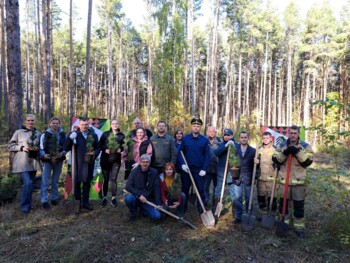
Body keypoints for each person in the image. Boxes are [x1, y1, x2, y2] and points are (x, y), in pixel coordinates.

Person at [273, 125, 313, 238]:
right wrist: (284, 153)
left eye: (295, 133)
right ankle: (283, 225)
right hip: (283, 182)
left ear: (298, 134)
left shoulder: (305, 146)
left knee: (298, 207)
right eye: (291, 133)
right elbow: (275, 160)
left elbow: (307, 162)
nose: (293, 135)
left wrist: (297, 152)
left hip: (298, 183)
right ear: (288, 133)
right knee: (283, 207)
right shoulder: (281, 145)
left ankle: (298, 228)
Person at [64, 118, 100, 211]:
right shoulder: (75, 134)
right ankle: (77, 203)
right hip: (77, 163)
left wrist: (94, 153)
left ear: (89, 125)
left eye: (86, 124)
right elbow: (66, 147)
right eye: (83, 124)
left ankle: (85, 203)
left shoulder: (93, 135)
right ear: (79, 125)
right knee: (76, 183)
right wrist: (70, 138)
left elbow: (98, 148)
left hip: (88, 163)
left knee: (87, 183)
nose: (84, 126)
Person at [8, 114, 41, 214]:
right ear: (25, 121)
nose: (30, 122)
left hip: (33, 163)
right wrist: (21, 148)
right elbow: (10, 146)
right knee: (28, 183)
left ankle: (28, 205)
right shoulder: (19, 132)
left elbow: (41, 146)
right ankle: (24, 207)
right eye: (29, 120)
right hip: (21, 163)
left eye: (32, 120)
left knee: (29, 185)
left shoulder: (38, 133)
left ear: (35, 122)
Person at [178, 117, 210, 213]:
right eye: (194, 126)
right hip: (187, 170)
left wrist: (204, 169)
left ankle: (201, 209)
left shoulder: (204, 140)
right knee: (185, 190)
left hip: (199, 171)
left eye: (198, 126)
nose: (196, 128)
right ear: (191, 126)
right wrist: (182, 164)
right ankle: (183, 209)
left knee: (200, 190)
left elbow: (207, 156)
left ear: (200, 127)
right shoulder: (186, 139)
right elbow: (179, 152)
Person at [39, 117, 67, 210]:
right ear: (50, 124)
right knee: (45, 181)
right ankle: (44, 201)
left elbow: (66, 147)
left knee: (55, 180)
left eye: (57, 123)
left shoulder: (63, 134)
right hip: (48, 160)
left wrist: (62, 153)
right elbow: (41, 147)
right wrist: (43, 155)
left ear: (59, 124)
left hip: (59, 160)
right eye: (53, 123)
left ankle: (54, 198)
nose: (55, 125)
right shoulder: (45, 134)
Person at [124, 154, 162, 221]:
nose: (145, 164)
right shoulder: (134, 172)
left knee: (157, 216)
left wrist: (158, 203)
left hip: (147, 200)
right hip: (136, 197)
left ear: (149, 163)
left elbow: (157, 188)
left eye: (147, 162)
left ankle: (143, 210)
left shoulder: (154, 172)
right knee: (128, 199)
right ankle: (133, 212)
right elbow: (128, 186)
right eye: (143, 162)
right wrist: (139, 195)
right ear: (140, 162)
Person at [98, 119, 125, 208]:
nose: (115, 125)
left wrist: (120, 149)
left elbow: (124, 147)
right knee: (106, 179)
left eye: (116, 123)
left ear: (118, 124)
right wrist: (104, 149)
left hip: (116, 161)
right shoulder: (105, 134)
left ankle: (113, 198)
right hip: (105, 160)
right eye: (113, 123)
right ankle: (105, 198)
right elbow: (100, 144)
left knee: (113, 178)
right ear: (110, 125)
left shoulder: (121, 135)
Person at [232, 131, 256, 224]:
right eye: (242, 137)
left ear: (248, 138)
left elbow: (256, 167)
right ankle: (238, 216)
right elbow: (231, 162)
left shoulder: (253, 151)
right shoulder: (235, 149)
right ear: (239, 139)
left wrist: (255, 177)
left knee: (248, 198)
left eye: (245, 137)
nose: (243, 139)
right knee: (238, 198)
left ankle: (249, 215)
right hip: (237, 177)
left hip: (248, 178)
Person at [254, 131, 277, 218]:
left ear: (271, 139)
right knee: (261, 197)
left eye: (267, 138)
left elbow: (279, 163)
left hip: (272, 179)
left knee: (272, 198)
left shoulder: (275, 150)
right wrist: (255, 161)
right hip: (261, 179)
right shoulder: (259, 149)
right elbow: (256, 166)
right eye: (263, 138)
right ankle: (264, 215)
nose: (265, 140)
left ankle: (272, 215)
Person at [214, 128, 236, 208]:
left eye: (228, 135)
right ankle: (217, 205)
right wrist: (226, 146)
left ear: (232, 136)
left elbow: (238, 156)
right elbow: (216, 153)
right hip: (221, 171)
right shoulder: (221, 144)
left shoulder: (235, 145)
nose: (226, 137)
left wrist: (233, 147)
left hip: (231, 171)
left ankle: (234, 207)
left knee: (232, 189)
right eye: (225, 135)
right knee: (218, 188)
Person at [204, 126, 221, 207]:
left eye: (213, 131)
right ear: (208, 132)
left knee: (216, 187)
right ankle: (205, 201)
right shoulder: (204, 141)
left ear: (215, 132)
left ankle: (215, 203)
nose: (211, 132)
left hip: (217, 168)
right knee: (205, 186)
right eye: (210, 131)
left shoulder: (220, 141)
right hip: (206, 169)